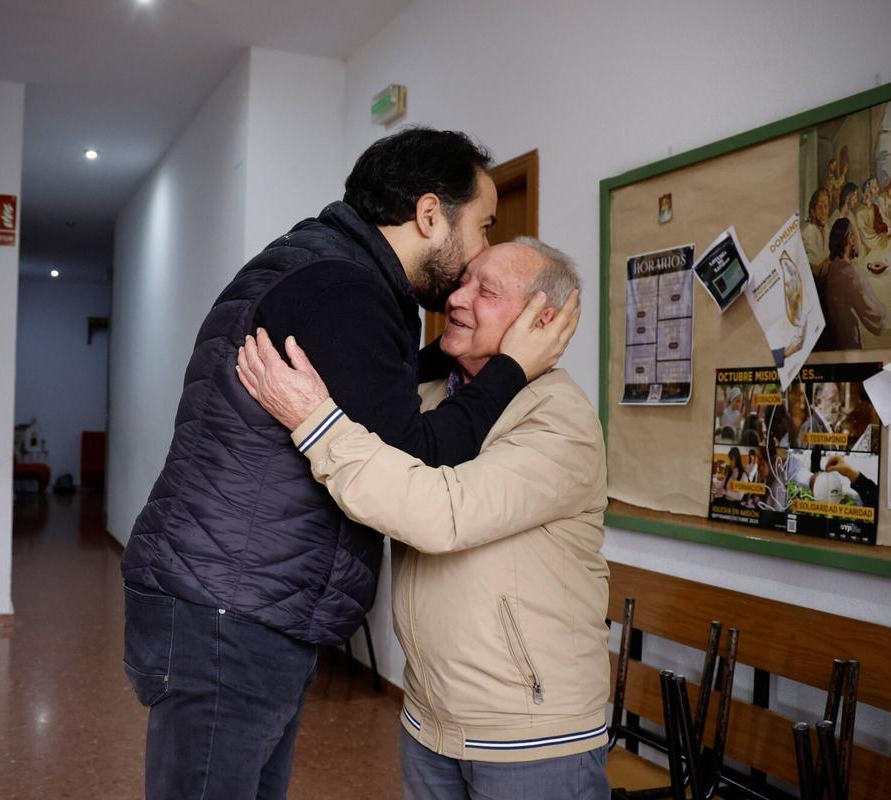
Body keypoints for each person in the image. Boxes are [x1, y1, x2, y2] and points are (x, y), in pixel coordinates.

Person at [119, 128, 579, 800]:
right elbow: (415, 456)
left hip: (236, 598)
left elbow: (371, 399)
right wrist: (510, 367)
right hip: (232, 610)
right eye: (481, 227)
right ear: (429, 215)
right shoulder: (345, 290)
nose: (478, 252)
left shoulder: (331, 270)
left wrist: (471, 352)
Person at [237, 238, 611, 799]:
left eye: (485, 291)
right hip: (429, 724)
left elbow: (440, 512)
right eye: (462, 281)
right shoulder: (435, 397)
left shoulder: (560, 419)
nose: (456, 298)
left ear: (543, 319)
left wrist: (313, 420)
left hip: (530, 737)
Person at [818, 218, 885, 350]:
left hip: (833, 343)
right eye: (857, 234)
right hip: (848, 345)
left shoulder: (829, 267)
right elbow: (877, 319)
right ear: (851, 239)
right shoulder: (850, 274)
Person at [853, 177, 891, 254]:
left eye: (877, 187)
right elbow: (868, 237)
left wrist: (886, 234)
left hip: (880, 241)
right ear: (868, 191)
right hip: (869, 250)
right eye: (874, 187)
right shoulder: (860, 213)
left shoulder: (874, 207)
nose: (878, 189)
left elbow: (880, 226)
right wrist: (887, 237)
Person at [802, 188, 831, 277]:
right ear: (813, 211)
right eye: (819, 207)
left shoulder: (827, 229)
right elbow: (816, 269)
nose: (823, 211)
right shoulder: (808, 232)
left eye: (826, 206)